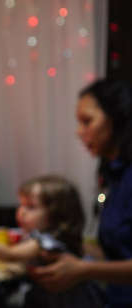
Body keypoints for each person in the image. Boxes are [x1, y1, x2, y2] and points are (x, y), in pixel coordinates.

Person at [29, 79, 132, 307]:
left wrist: (84, 270)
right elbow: (116, 253)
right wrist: (64, 246)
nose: (79, 132)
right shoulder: (112, 176)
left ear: (116, 119)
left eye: (87, 121)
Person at [0, 176, 103, 307]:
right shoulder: (44, 238)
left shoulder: (44, 241)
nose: (21, 212)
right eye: (21, 205)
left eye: (30, 207)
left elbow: (10, 254)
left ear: (56, 214)